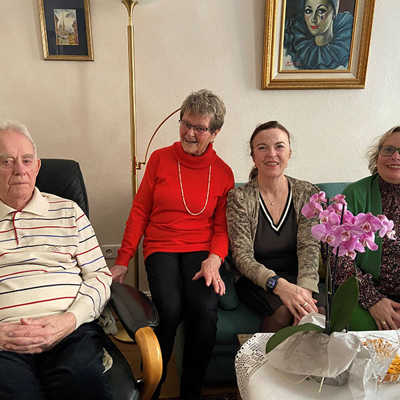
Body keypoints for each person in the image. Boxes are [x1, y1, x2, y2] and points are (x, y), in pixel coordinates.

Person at [111, 89, 234, 400]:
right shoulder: (160, 159)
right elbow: (140, 211)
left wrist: (215, 259)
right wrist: (123, 259)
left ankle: (191, 390)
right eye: (185, 123)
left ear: (215, 132)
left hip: (201, 250)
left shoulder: (223, 173)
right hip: (161, 244)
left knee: (204, 312)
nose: (190, 133)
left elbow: (222, 228)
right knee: (169, 308)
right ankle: (155, 383)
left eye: (200, 127)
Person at [0, 121, 112, 400]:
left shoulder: (68, 211)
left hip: (69, 331)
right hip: (4, 340)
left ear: (37, 167)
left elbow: (99, 276)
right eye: (6, 162)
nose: (20, 170)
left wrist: (70, 320)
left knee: (82, 383)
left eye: (27, 161)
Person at [226, 121, 320, 332]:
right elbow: (242, 257)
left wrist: (304, 293)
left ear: (289, 152)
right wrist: (280, 287)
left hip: (298, 276)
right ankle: (261, 363)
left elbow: (310, 247)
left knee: (316, 313)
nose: (271, 154)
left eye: (279, 146)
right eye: (262, 147)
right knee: (284, 310)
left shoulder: (307, 193)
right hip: (257, 279)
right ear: (253, 156)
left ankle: (306, 365)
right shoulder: (239, 198)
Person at [335, 126, 400, 331]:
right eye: (389, 150)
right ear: (378, 155)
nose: (395, 156)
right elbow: (336, 256)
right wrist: (372, 300)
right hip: (363, 296)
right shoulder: (354, 194)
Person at [283, 0, 354, 70]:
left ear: (334, 14)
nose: (313, 19)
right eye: (308, 11)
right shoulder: (296, 48)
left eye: (321, 11)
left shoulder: (347, 48)